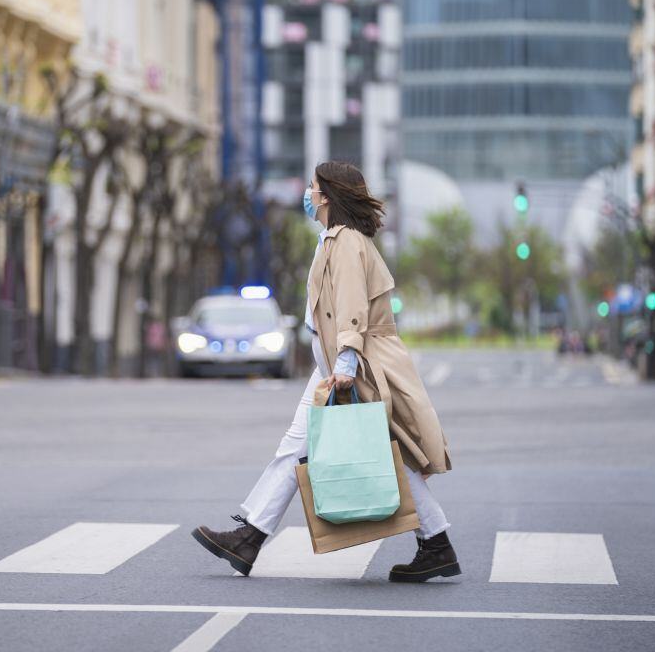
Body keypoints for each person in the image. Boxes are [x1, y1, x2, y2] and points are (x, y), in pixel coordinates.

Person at [191, 161, 460, 583]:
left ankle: (437, 541)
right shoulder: (332, 239)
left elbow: (352, 307)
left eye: (313, 186)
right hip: (332, 367)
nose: (307, 192)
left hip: (354, 366)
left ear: (328, 195)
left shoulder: (348, 241)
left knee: (389, 455)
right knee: (296, 448)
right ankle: (250, 537)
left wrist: (346, 365)